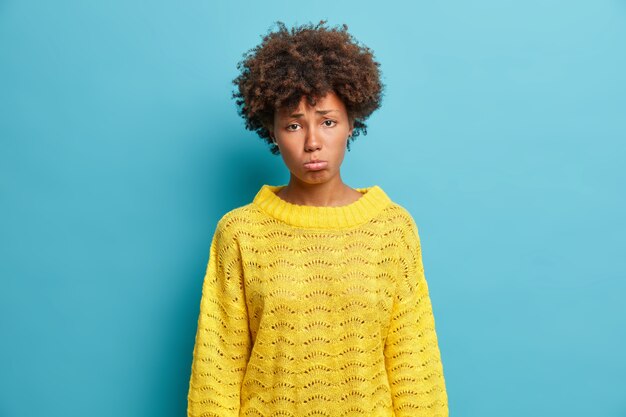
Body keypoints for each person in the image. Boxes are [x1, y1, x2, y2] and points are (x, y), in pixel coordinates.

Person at [187, 20, 449, 417]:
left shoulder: (392, 229)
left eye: (327, 121)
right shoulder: (240, 233)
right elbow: (216, 371)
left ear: (350, 124)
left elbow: (415, 366)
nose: (312, 142)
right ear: (271, 132)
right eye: (294, 125)